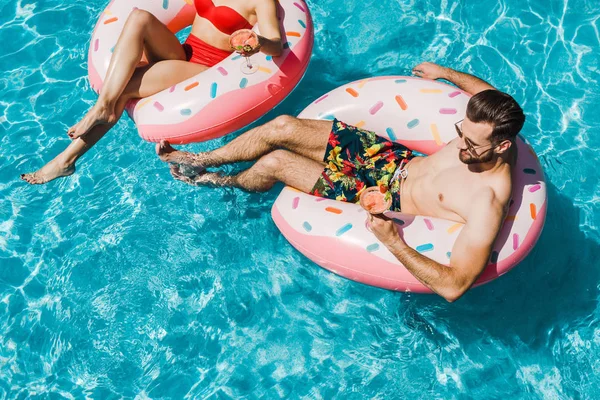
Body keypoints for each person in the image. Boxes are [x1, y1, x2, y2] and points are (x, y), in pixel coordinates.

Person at [157, 62, 526, 302]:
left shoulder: (487, 200)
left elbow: (454, 285)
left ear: (503, 146)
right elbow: (484, 93)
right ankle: (199, 159)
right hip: (392, 159)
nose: (461, 144)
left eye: (473, 145)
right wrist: (443, 74)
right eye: (461, 133)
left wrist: (392, 242)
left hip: (381, 196)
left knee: (274, 163)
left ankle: (220, 181)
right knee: (284, 126)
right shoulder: (484, 128)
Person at [21, 0, 282, 184]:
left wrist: (258, 43)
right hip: (182, 53)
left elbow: (276, 46)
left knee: (125, 89)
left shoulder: (262, 1)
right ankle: (102, 107)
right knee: (139, 17)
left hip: (205, 71)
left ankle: (67, 158)